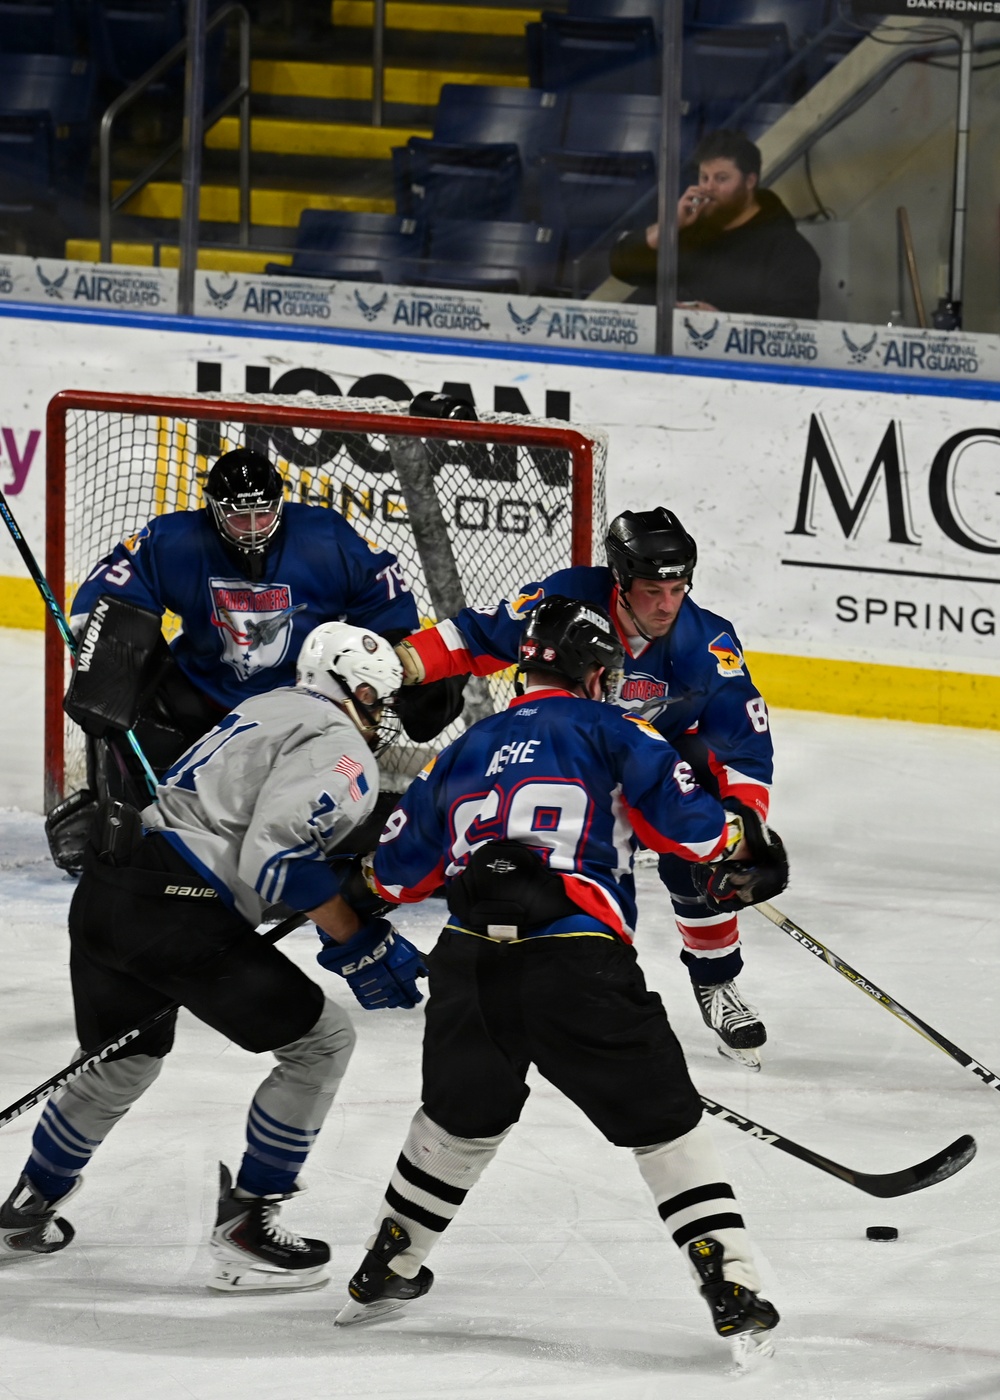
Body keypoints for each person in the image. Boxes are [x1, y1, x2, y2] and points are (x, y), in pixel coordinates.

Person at [334, 598, 785, 1366]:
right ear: (598, 673)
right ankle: (730, 1281)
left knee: (458, 1120)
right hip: (576, 961)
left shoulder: (465, 746)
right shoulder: (616, 730)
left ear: (525, 666)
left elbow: (399, 874)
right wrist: (747, 839)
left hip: (469, 962)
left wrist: (361, 884)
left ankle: (388, 1261)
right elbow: (696, 832)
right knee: (664, 1123)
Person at [0, 623, 426, 1293]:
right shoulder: (343, 748)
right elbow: (275, 857)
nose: (383, 718)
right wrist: (358, 938)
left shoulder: (265, 707)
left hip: (112, 892)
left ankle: (28, 1204)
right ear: (361, 690)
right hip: (178, 911)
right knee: (322, 1043)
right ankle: (249, 1225)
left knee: (123, 1061)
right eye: (381, 701)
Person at [391, 507, 775, 1069]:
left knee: (698, 855)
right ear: (620, 581)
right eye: (651, 590)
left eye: (677, 587)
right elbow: (474, 635)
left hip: (652, 763)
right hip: (567, 756)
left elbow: (744, 746)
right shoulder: (568, 602)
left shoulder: (707, 641)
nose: (667, 604)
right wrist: (400, 663)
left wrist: (745, 828)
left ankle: (716, 981)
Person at [47, 445, 428, 873]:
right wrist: (100, 655)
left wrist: (398, 655)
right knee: (114, 678)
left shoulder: (326, 538)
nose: (251, 528)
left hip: (297, 706)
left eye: (262, 514)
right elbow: (109, 588)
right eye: (238, 516)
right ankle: (120, 815)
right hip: (201, 692)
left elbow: (387, 604)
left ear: (280, 504)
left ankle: (308, 840)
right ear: (213, 509)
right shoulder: (177, 539)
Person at [610, 129, 821, 320]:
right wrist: (669, 227)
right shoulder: (690, 226)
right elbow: (622, 268)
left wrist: (724, 322)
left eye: (721, 179)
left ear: (749, 182)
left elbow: (796, 319)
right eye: (704, 177)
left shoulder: (786, 247)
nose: (708, 188)